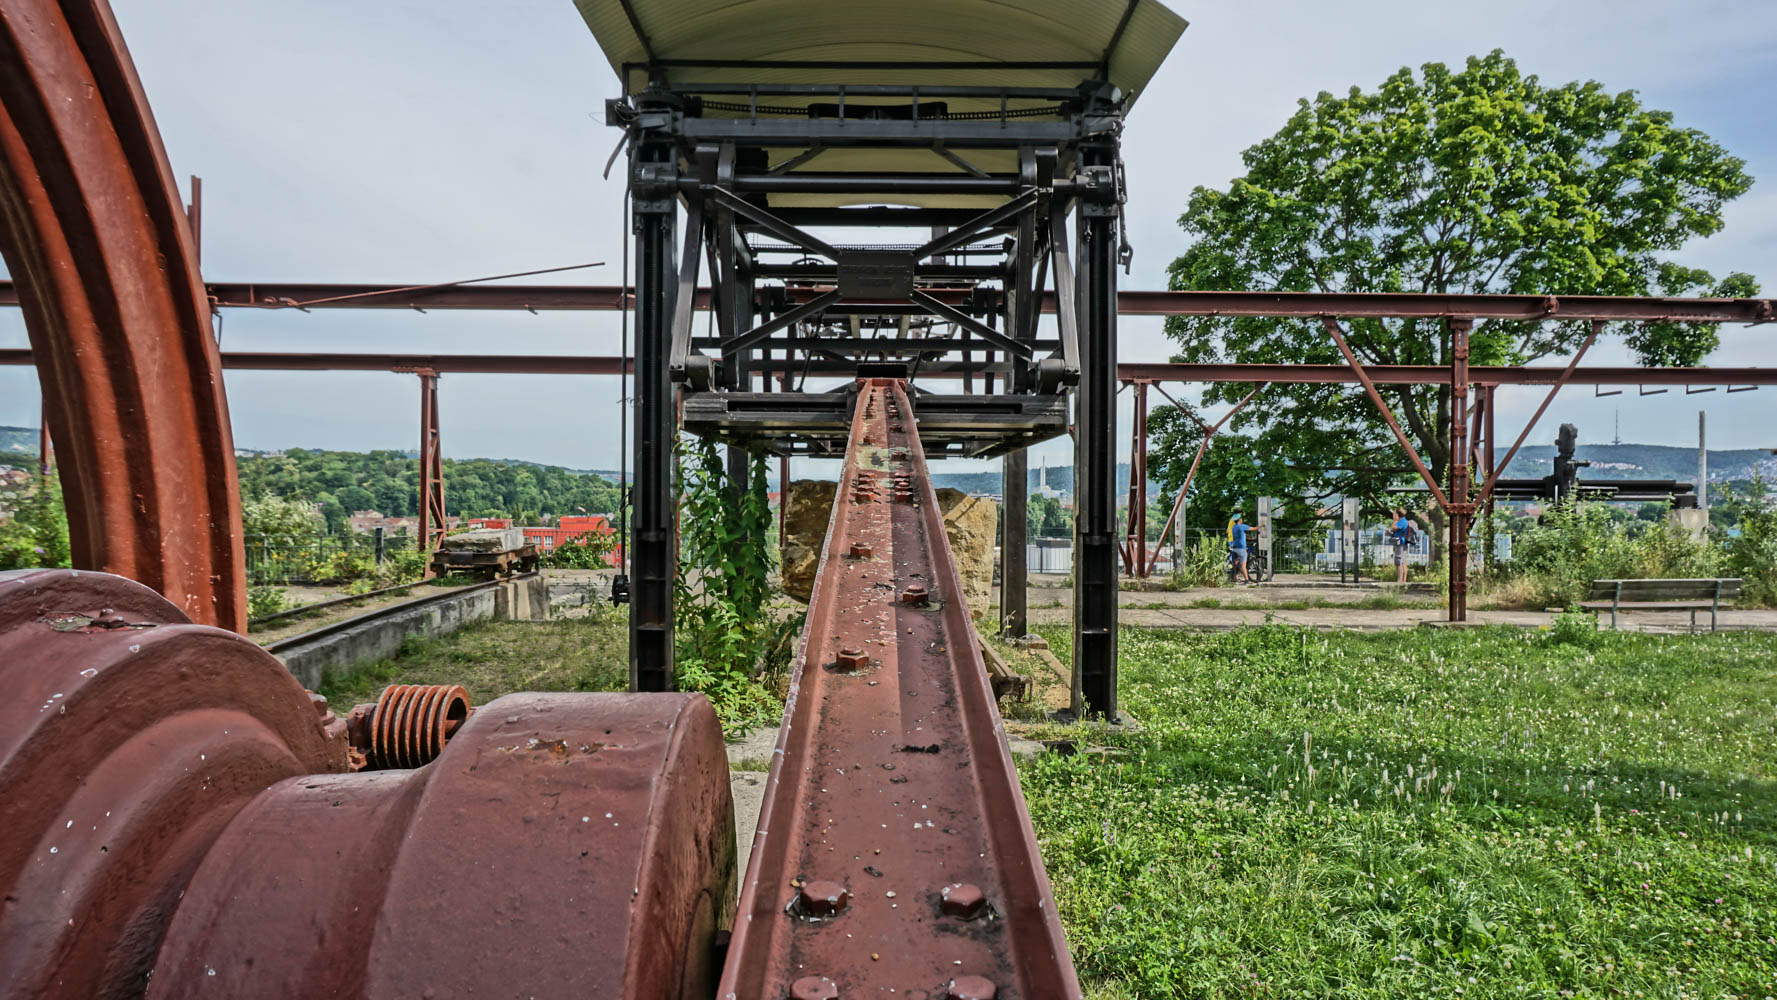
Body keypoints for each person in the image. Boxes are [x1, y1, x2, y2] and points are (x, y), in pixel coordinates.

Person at [1226, 512, 1256, 584]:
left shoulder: (1232, 521)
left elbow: (1227, 531)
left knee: (1237, 561)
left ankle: (1235, 579)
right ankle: (1238, 579)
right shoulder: (1235, 522)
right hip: (1234, 542)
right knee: (1238, 562)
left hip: (1232, 541)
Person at [1390, 507, 1415, 583]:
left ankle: (1400, 580)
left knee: (1398, 562)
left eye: (1394, 513)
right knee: (1403, 562)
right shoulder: (1403, 521)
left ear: (1397, 514)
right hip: (1402, 543)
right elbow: (1397, 532)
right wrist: (1390, 534)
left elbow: (1392, 528)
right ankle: (1403, 581)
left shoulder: (1402, 521)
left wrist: (1395, 520)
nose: (1393, 514)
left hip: (1400, 544)